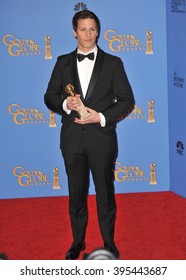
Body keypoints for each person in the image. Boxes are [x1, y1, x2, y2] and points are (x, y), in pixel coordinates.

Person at [44, 10, 135, 260]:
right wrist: (65, 104)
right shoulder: (62, 62)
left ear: (98, 30)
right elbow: (49, 96)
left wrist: (102, 116)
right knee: (76, 194)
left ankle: (109, 242)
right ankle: (77, 241)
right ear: (74, 32)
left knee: (105, 193)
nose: (88, 34)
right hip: (72, 140)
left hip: (102, 140)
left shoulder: (113, 63)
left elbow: (127, 100)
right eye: (83, 29)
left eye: (92, 29)